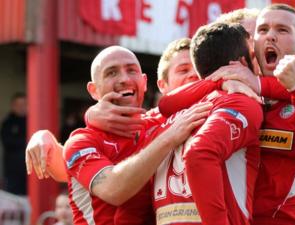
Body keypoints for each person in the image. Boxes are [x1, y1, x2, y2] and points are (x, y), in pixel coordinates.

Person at [157, 4, 295, 225]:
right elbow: (167, 104)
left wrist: (281, 86)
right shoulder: (238, 94)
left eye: (282, 30)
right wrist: (220, 79)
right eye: (263, 30)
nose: (271, 37)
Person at [26, 46, 211, 225]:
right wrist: (170, 137)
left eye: (131, 70)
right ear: (93, 90)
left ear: (144, 82)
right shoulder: (81, 141)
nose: (124, 79)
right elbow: (114, 190)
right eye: (111, 73)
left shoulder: (160, 122)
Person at [151, 22, 262, 225]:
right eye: (254, 56)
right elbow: (198, 154)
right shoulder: (241, 101)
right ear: (241, 63)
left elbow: (165, 104)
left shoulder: (170, 113)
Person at [1, 92, 27, 195]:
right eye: (18, 105)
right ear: (13, 106)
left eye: (24, 104)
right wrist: (26, 142)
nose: (21, 107)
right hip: (13, 170)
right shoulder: (7, 123)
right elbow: (7, 142)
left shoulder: (33, 121)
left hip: (31, 170)